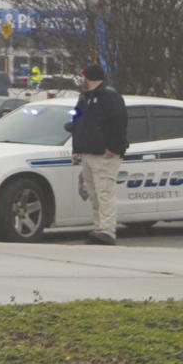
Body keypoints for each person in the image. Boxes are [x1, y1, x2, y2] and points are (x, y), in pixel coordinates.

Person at [68, 63, 128, 245]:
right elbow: (77, 123)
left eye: (83, 76)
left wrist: (113, 147)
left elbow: (119, 123)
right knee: (93, 193)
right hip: (87, 152)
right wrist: (76, 149)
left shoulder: (109, 97)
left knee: (104, 192)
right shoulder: (84, 98)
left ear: (89, 77)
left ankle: (108, 231)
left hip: (105, 154)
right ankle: (98, 228)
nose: (82, 80)